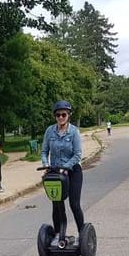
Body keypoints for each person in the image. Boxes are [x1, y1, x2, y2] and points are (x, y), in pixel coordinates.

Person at [41, 100, 84, 236]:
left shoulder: (74, 132)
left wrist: (65, 167)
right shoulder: (50, 131)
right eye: (58, 115)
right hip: (55, 173)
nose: (60, 117)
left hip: (73, 171)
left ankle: (82, 235)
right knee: (57, 205)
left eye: (63, 114)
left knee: (74, 204)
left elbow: (77, 155)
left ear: (68, 115)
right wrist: (46, 165)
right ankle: (59, 236)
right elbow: (44, 152)